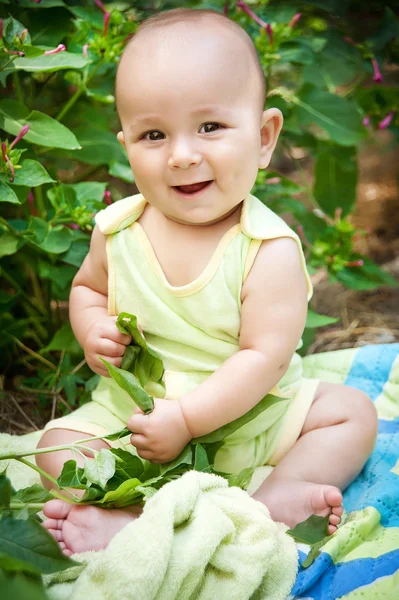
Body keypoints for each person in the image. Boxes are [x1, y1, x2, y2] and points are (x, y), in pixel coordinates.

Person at [36, 8, 378, 557]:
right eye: (154, 134)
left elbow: (263, 357)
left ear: (264, 138)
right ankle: (136, 515)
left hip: (246, 422)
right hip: (140, 425)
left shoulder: (266, 251)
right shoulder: (118, 230)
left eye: (211, 127)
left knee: (351, 414)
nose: (183, 155)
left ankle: (274, 498)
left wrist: (190, 419)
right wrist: (92, 326)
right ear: (126, 146)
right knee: (54, 447)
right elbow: (87, 288)